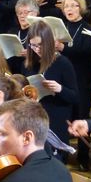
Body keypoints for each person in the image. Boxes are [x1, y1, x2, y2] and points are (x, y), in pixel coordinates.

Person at [22, 20, 79, 148]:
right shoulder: (30, 64)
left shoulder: (63, 63)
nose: (37, 49)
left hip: (56, 118)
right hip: (34, 117)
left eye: (40, 45)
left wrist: (60, 89)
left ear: (48, 42)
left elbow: (75, 97)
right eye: (33, 45)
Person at [58, 0, 91, 170]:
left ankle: (83, 157)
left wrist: (63, 48)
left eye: (74, 6)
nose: (70, 9)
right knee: (64, 117)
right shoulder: (60, 27)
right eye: (67, 6)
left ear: (80, 8)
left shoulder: (87, 28)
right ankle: (62, 154)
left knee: (81, 117)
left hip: (83, 79)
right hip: (64, 79)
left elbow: (85, 50)